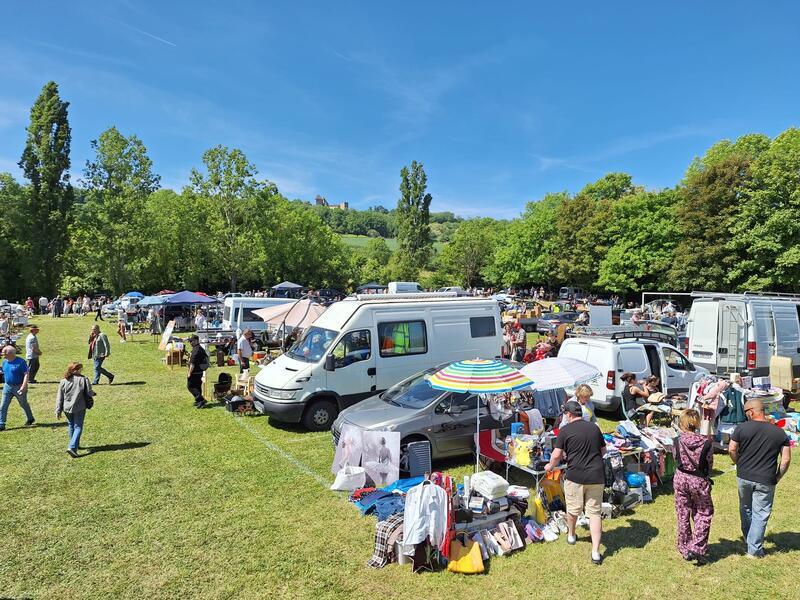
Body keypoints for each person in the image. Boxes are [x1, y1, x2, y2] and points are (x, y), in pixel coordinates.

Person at [545, 400, 606, 565]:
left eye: (565, 414)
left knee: (573, 509)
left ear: (569, 414)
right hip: (596, 475)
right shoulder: (594, 428)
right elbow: (603, 450)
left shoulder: (565, 430)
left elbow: (556, 455)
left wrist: (550, 466)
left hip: (575, 475)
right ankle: (595, 552)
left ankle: (571, 535)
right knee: (594, 513)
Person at [729, 399, 791, 558]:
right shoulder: (779, 432)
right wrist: (778, 476)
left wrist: (739, 463)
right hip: (766, 478)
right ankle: (754, 549)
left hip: (744, 476)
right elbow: (785, 460)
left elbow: (732, 449)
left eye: (746, 413)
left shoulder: (741, 428)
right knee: (761, 513)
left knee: (745, 508)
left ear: (751, 411)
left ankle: (748, 538)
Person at [673, 408, 714, 564]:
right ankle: (697, 547)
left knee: (682, 512)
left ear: (682, 422)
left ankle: (684, 547)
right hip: (698, 480)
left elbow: (675, 457)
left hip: (681, 478)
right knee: (703, 512)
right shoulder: (706, 442)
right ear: (696, 423)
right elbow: (709, 464)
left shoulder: (677, 440)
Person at [55, 362, 95, 458]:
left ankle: (74, 443)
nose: (82, 370)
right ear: (76, 370)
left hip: (66, 408)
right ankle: (72, 447)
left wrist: (58, 410)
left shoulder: (63, 381)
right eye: (80, 368)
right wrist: (94, 393)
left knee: (71, 425)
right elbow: (89, 393)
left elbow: (59, 397)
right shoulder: (84, 379)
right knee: (78, 427)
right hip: (79, 407)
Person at [0, 345, 34, 430]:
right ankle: (1, 424)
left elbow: (26, 374)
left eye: (4, 353)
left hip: (19, 387)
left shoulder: (21, 362)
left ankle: (30, 418)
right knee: (3, 406)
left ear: (10, 354)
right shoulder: (4, 362)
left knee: (23, 404)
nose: (2, 354)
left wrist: (23, 387)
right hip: (7, 387)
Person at [187, 334, 209, 409]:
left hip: (195, 371)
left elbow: (192, 363)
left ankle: (201, 400)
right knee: (197, 386)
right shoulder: (199, 348)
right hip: (200, 371)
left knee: (190, 386)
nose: (190, 343)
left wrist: (189, 373)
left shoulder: (196, 350)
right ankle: (198, 401)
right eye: (190, 341)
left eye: (192, 341)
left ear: (196, 341)